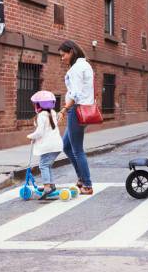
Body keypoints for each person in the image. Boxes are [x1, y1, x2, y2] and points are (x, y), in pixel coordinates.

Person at [58, 40, 95, 195]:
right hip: (83, 109)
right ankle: (81, 179)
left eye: (63, 54)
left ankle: (87, 184)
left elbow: (76, 93)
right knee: (66, 146)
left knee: (77, 149)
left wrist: (64, 109)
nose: (62, 58)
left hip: (77, 110)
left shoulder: (77, 68)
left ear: (71, 52)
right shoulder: (84, 65)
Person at [27, 90, 63, 200]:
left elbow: (40, 132)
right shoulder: (53, 112)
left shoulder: (42, 115)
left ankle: (47, 187)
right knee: (47, 165)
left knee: (43, 165)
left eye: (36, 104)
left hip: (48, 147)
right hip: (56, 145)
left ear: (40, 105)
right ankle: (51, 185)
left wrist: (30, 136)